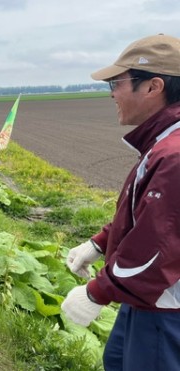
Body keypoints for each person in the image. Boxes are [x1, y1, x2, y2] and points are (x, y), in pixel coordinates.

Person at [62, 34, 180, 370]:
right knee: (116, 360)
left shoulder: (174, 156)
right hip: (146, 299)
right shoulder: (163, 143)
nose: (112, 93)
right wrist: (100, 244)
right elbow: (147, 214)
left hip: (166, 308)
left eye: (117, 82)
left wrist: (96, 293)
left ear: (153, 87)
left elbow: (157, 251)